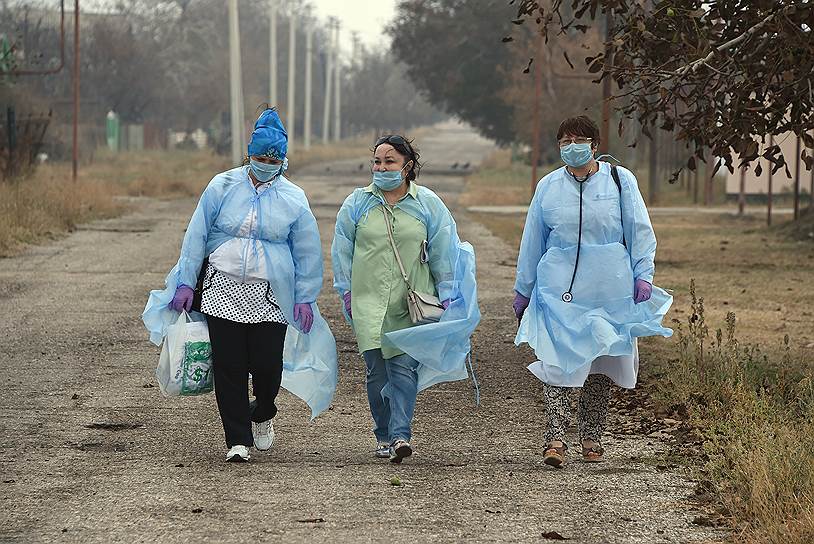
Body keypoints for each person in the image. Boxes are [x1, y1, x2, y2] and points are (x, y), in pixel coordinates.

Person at [143, 108, 337, 463]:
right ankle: (237, 439)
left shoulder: (294, 198)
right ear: (249, 154)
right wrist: (186, 281)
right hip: (222, 288)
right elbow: (197, 234)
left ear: (282, 159)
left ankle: (263, 411)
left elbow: (307, 251)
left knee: (267, 366)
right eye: (260, 157)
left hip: (270, 293)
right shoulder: (222, 185)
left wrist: (305, 297)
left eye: (272, 158)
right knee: (229, 367)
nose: (265, 163)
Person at [512, 116, 672, 467]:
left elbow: (639, 230)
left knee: (601, 360)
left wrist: (643, 274)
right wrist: (523, 289)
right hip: (558, 287)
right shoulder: (548, 186)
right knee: (555, 359)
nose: (572, 147)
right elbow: (532, 239)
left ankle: (591, 436)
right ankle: (554, 438)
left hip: (608, 287)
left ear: (595, 146)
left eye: (580, 140)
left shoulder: (620, 181)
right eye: (565, 141)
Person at [332, 134, 480, 464]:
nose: (381, 167)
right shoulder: (357, 204)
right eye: (377, 161)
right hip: (367, 302)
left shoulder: (427, 204)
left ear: (407, 166)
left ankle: (401, 435)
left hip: (410, 301)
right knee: (376, 374)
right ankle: (382, 432)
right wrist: (345, 290)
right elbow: (342, 250)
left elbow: (444, 251)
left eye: (389, 162)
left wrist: (449, 294)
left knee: (403, 370)